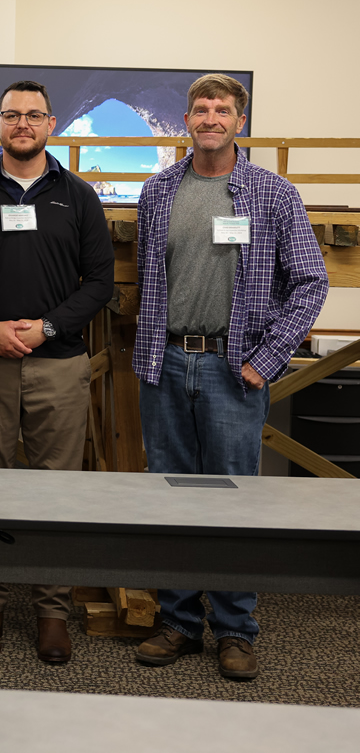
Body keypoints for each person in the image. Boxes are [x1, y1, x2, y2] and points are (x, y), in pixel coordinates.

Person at [132, 74, 328, 680]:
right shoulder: (158, 190)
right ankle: (178, 622)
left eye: (222, 109)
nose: (211, 117)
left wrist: (264, 360)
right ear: (187, 120)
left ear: (239, 122)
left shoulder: (273, 193)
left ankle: (236, 629)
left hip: (233, 370)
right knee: (170, 498)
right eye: (201, 108)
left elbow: (311, 283)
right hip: (166, 364)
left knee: (235, 502)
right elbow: (151, 277)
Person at [0, 79, 114, 663]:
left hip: (58, 366)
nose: (23, 124)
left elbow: (99, 282)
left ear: (51, 124)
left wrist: (47, 328)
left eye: (34, 115)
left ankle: (51, 612)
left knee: (54, 492)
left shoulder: (79, 196)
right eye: (12, 115)